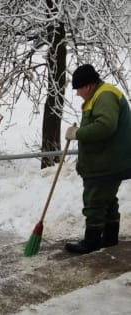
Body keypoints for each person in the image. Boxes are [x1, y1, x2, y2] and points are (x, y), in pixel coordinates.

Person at [64, 64, 131, 254]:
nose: (77, 94)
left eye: (78, 89)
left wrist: (78, 133)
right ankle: (109, 240)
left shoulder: (105, 96)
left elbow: (105, 126)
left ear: (88, 85)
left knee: (94, 200)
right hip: (108, 161)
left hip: (106, 163)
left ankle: (91, 243)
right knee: (107, 200)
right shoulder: (101, 94)